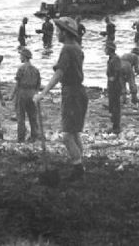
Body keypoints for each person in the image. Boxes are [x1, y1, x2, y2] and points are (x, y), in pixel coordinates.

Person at [33, 17, 89, 182]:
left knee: (66, 136)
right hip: (79, 91)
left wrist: (43, 93)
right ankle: (80, 165)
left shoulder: (67, 49)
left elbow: (60, 73)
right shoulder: (77, 47)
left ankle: (78, 169)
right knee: (74, 133)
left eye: (58, 31)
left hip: (71, 92)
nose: (56, 33)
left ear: (65, 33)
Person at [7, 48, 41, 142]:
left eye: (21, 55)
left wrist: (12, 95)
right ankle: (34, 136)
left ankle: (21, 138)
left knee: (20, 116)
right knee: (32, 116)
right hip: (32, 93)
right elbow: (38, 84)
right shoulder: (36, 70)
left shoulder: (21, 68)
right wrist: (36, 94)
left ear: (24, 57)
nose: (20, 57)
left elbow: (17, 84)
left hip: (22, 93)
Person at [105, 41, 124, 134]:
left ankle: (116, 127)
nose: (104, 50)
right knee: (112, 105)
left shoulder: (115, 59)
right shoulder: (111, 59)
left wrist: (113, 78)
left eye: (106, 48)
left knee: (115, 105)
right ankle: (114, 125)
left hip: (115, 85)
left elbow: (117, 71)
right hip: (112, 85)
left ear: (109, 49)